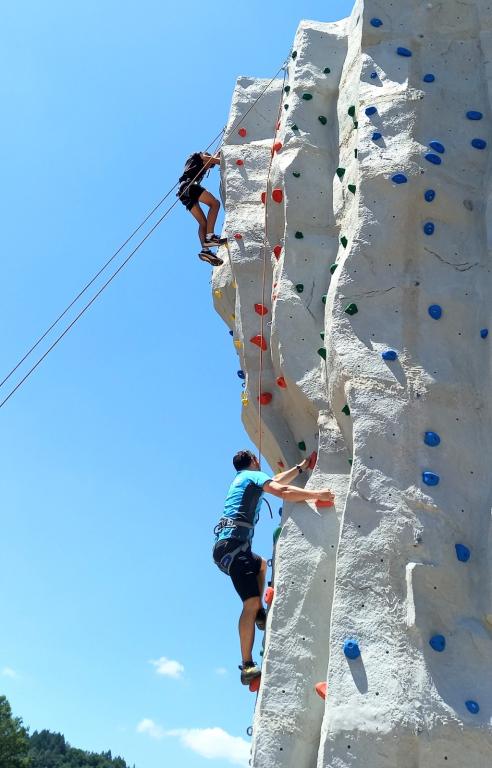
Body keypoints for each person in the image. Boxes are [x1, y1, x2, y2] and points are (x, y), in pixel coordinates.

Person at [213, 449, 335, 685]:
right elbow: (282, 491)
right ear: (254, 461)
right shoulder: (252, 477)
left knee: (260, 565)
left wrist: (300, 468)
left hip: (230, 548)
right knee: (249, 603)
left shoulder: (243, 480)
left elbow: (277, 481)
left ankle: (259, 614)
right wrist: (317, 494)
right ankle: (247, 665)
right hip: (234, 548)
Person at [177, 151, 224, 267]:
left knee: (203, 223)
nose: (209, 168)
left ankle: (206, 251)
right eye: (210, 166)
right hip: (189, 186)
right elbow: (210, 159)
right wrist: (226, 160)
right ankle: (210, 237)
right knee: (215, 204)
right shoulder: (199, 156)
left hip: (183, 192)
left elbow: (212, 159)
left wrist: (217, 155)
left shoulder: (196, 167)